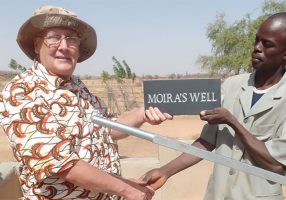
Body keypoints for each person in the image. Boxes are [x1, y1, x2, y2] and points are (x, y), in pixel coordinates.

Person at [0, 5, 172, 200]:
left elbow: (106, 130)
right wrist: (127, 189)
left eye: (71, 39)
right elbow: (60, 163)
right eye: (54, 37)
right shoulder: (23, 91)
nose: (64, 46)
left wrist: (141, 114)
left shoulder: (78, 88)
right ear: (36, 46)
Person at [142, 12, 286, 200]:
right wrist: (166, 171)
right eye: (256, 40)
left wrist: (233, 122)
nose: (256, 48)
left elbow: (276, 164)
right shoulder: (232, 85)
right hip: (217, 195)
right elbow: (207, 141)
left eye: (267, 44)